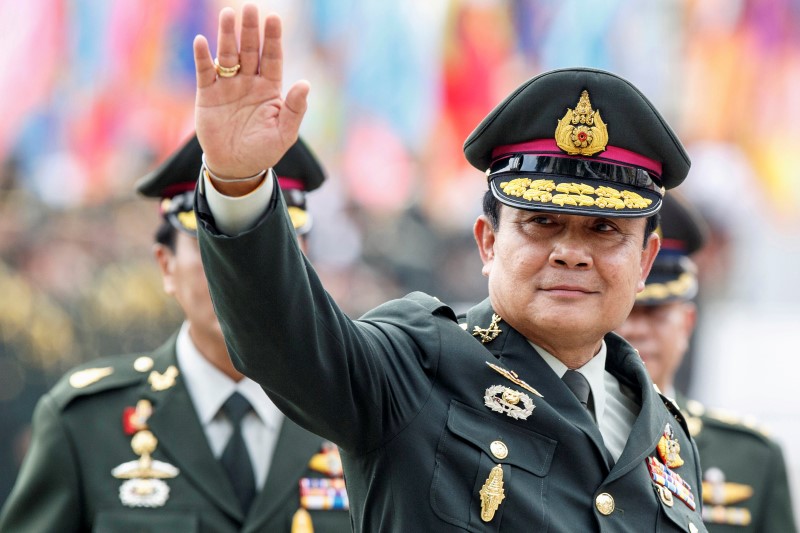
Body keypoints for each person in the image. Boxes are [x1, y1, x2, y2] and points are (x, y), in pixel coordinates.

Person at [191, 4, 709, 531]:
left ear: (645, 259)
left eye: (603, 230)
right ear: (487, 242)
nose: (571, 252)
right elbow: (289, 343)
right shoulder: (415, 369)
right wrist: (239, 183)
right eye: (542, 223)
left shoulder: (665, 434)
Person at [0, 134, 352, 532]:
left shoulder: (356, 419)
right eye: (212, 248)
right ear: (165, 265)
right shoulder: (84, 426)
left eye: (270, 249)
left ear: (304, 261)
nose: (241, 275)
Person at [616, 192, 797, 532]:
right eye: (625, 311)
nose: (637, 329)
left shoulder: (751, 457)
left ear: (686, 324)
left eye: (654, 313)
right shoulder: (563, 431)